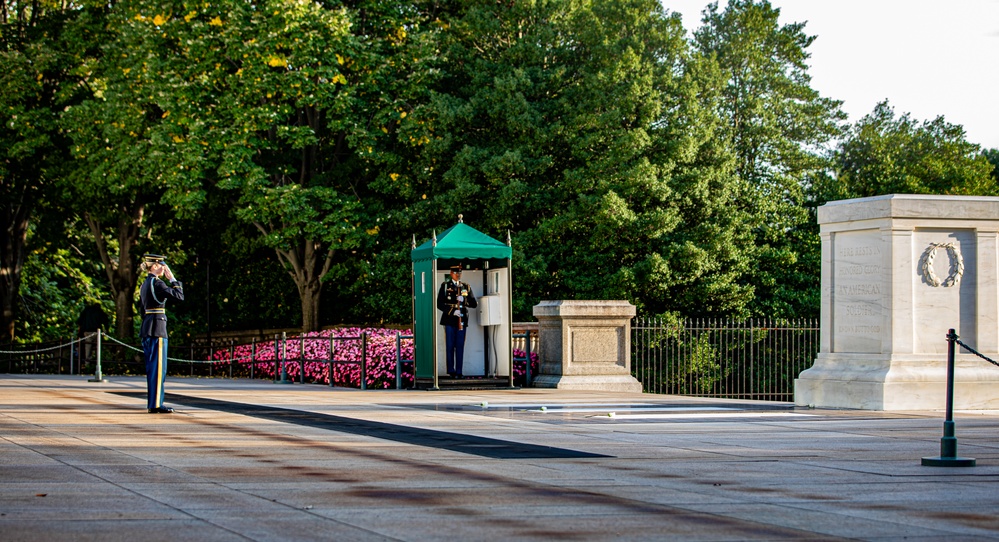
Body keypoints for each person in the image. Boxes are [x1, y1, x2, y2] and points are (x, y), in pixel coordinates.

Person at [139, 254, 184, 413]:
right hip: (157, 328)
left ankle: (154, 402)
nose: (164, 267)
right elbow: (179, 297)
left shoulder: (144, 284)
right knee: (158, 370)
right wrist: (172, 279)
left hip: (147, 327)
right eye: (161, 264)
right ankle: (156, 404)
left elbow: (141, 310)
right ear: (154, 266)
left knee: (152, 369)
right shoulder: (157, 284)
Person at [437, 264, 477, 379]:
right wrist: (452, 311)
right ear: (451, 273)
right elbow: (439, 303)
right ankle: (451, 370)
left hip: (462, 319)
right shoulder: (445, 286)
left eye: (459, 273)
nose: (458, 275)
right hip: (449, 319)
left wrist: (464, 300)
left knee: (460, 345)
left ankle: (459, 371)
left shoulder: (465, 287)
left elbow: (474, 303)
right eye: (456, 273)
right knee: (450, 345)